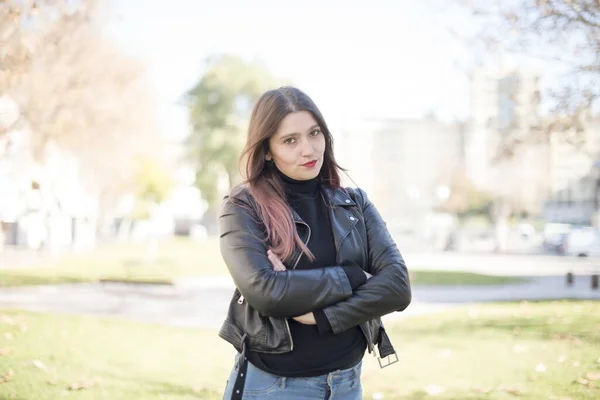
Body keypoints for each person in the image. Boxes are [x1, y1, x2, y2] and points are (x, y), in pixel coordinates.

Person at [218, 86, 411, 399]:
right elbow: (266, 292)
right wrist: (355, 276)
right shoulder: (243, 207)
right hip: (273, 387)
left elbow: (397, 287)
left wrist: (320, 316)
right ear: (267, 149)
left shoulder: (354, 203)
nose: (308, 149)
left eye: (314, 133)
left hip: (347, 384)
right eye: (290, 141)